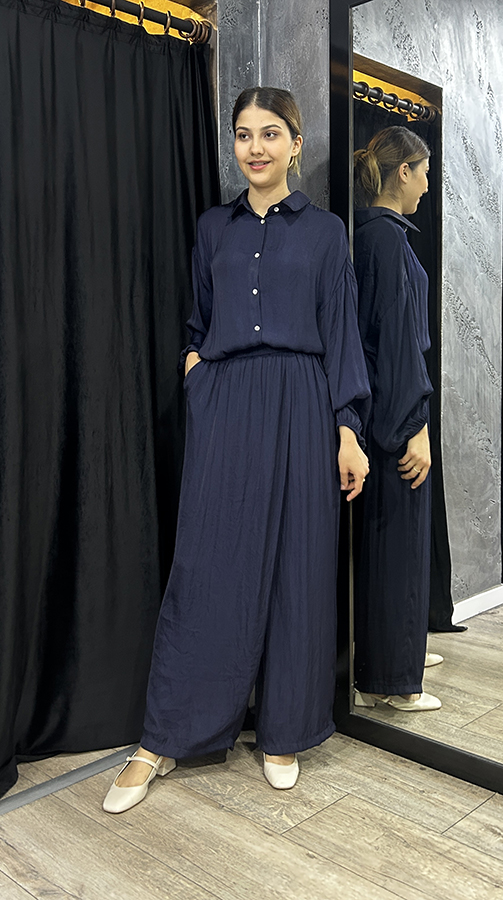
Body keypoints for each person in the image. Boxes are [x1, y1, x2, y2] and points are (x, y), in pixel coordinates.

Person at [103, 87, 371, 813]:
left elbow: (342, 332)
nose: (256, 147)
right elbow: (198, 319)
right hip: (225, 401)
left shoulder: (326, 233)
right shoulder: (213, 228)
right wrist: (197, 373)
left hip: (303, 400)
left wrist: (348, 429)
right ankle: (163, 737)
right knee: (206, 565)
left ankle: (284, 730)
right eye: (244, 134)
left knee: (297, 566)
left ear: (296, 143)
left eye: (271, 133)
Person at [352, 126, 442, 713]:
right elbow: (399, 342)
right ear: (402, 172)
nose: (428, 185)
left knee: (388, 551)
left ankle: (394, 658)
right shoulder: (385, 240)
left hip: (379, 413)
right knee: (398, 551)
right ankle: (394, 682)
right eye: (424, 172)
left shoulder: (374, 236)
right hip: (394, 420)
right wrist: (415, 424)